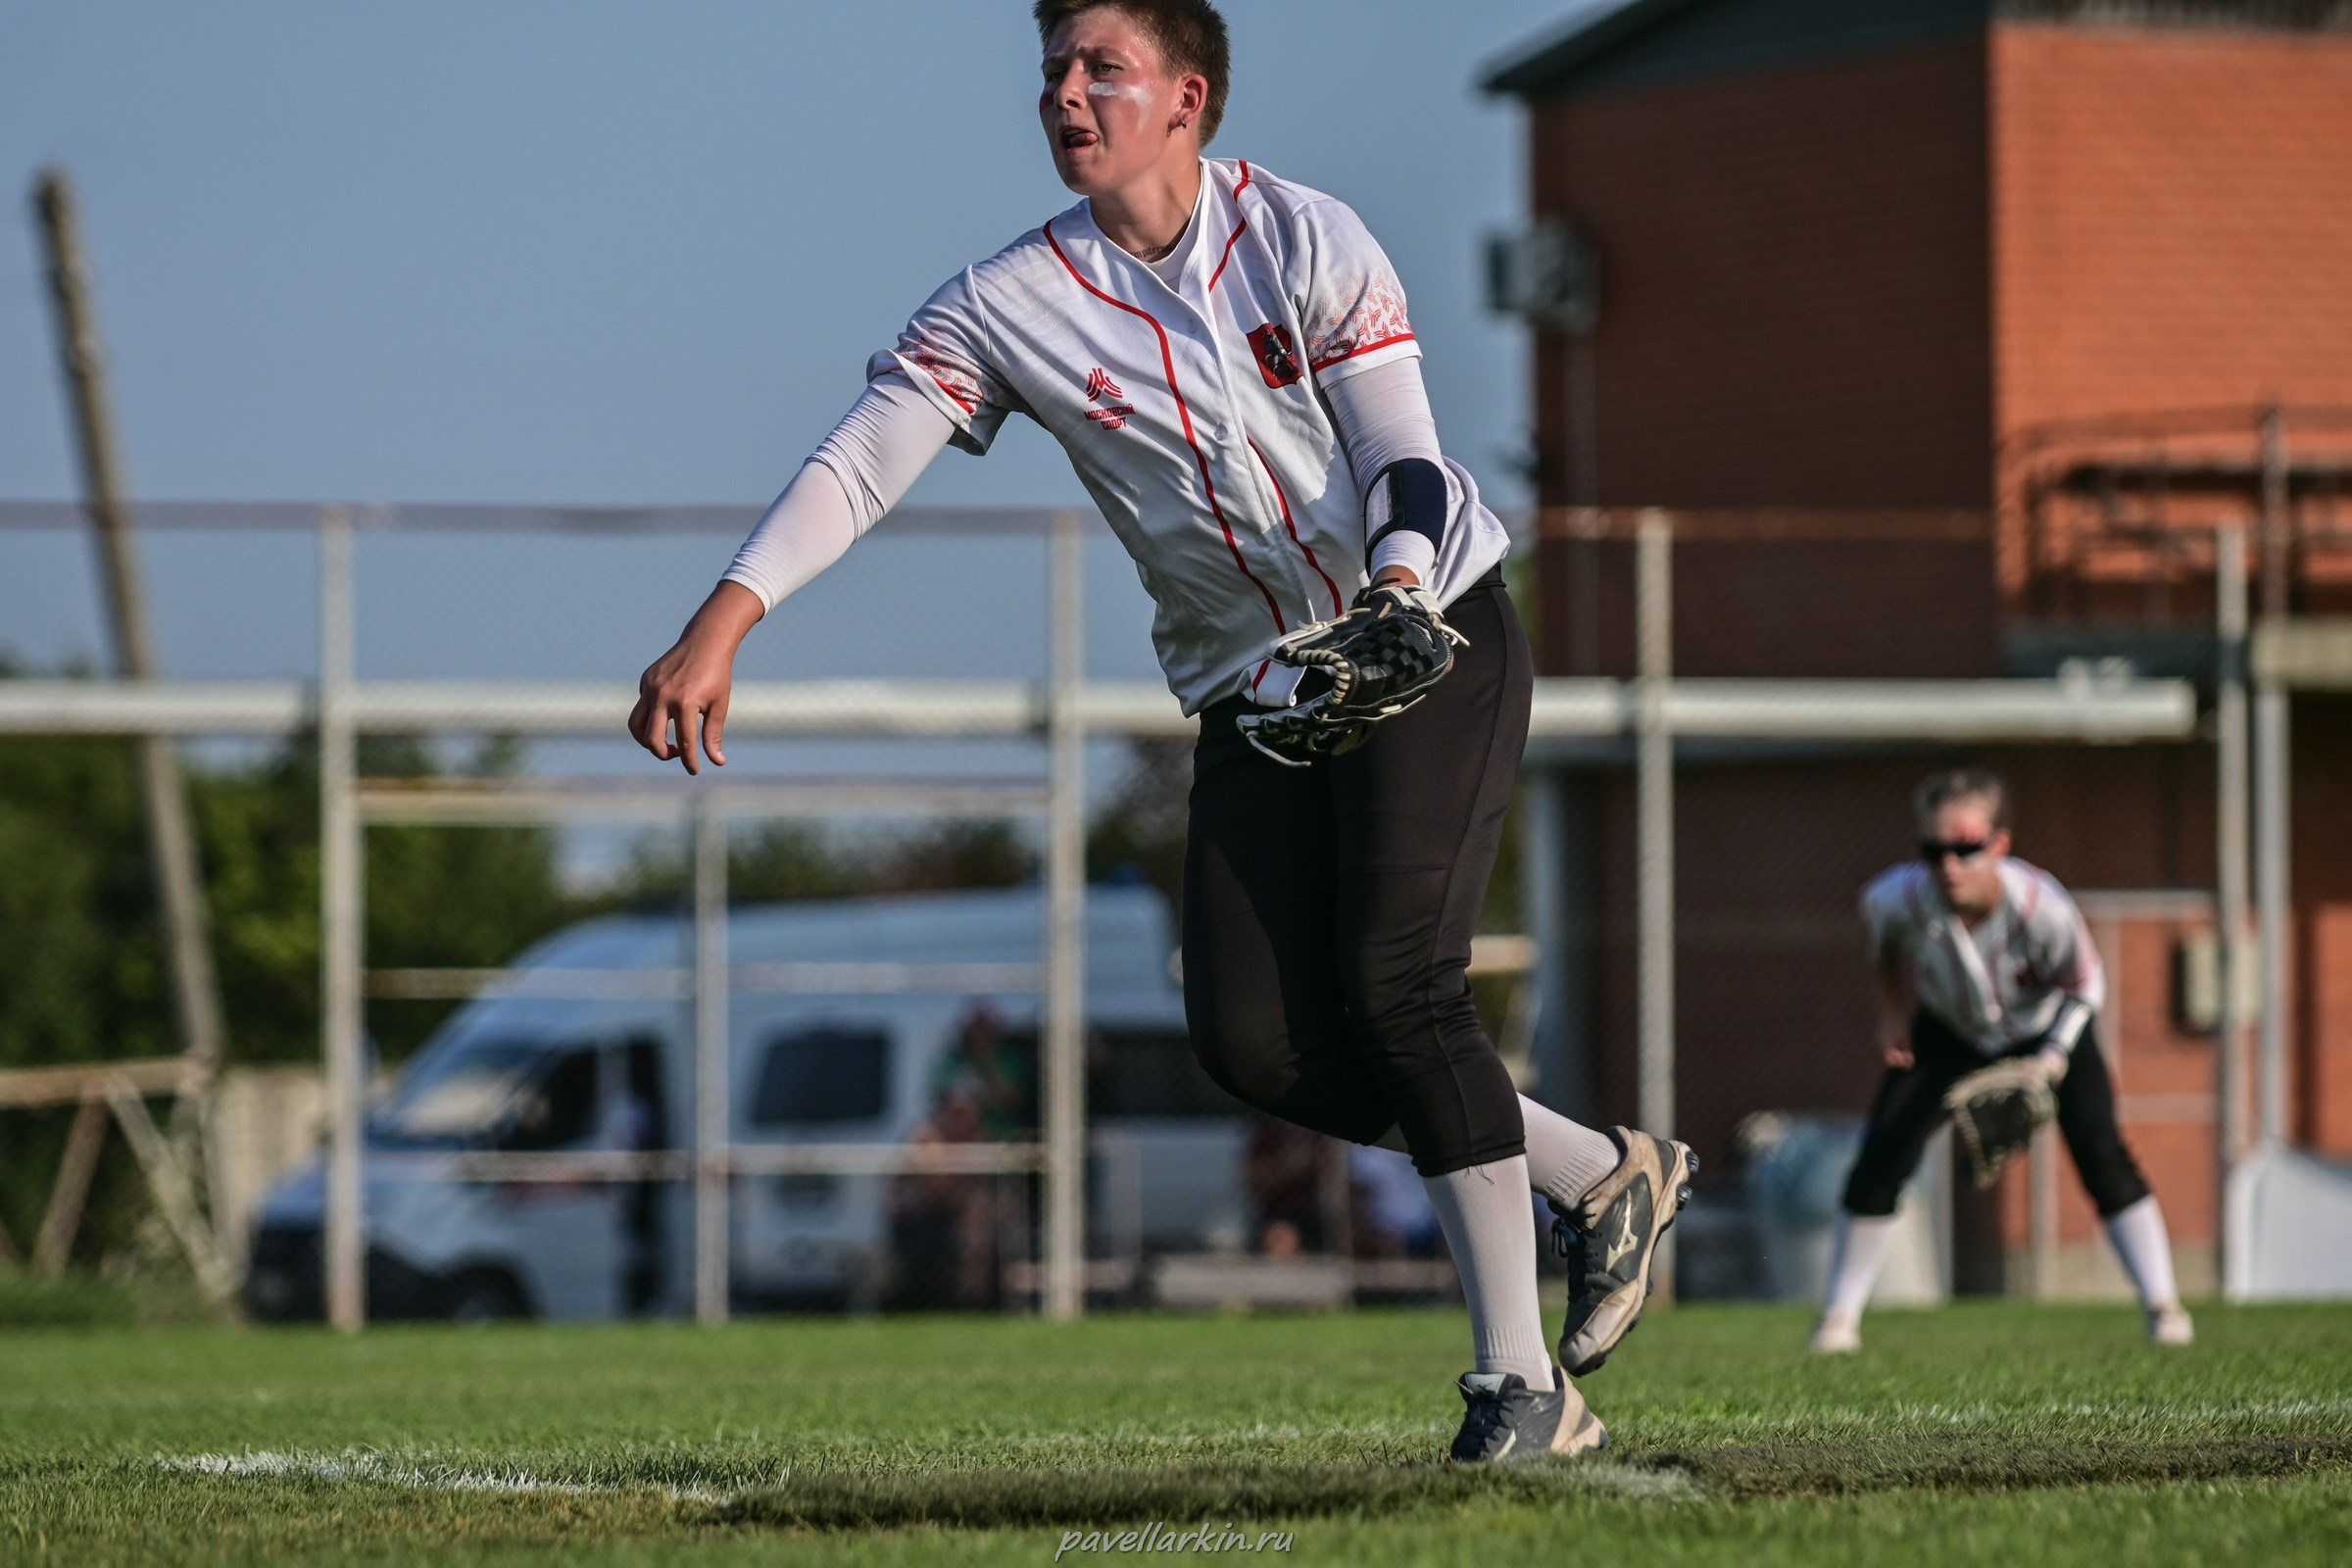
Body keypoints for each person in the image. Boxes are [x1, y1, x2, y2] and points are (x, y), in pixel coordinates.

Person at [627, 0, 1691, 1462]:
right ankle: (1597, 1173)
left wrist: (1395, 592)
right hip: (1255, 688)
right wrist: (728, 614)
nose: (1065, 92)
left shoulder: (1305, 236)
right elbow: (868, 456)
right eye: (1053, 69)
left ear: (1188, 97)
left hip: (1426, 635)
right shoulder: (1011, 299)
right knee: (1252, 1044)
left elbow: (1407, 456)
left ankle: (1523, 1386)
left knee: (1398, 985)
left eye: (1101, 67)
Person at [1812, 768, 2194, 1353]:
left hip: (2045, 1031)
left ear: (2000, 845)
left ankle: (2164, 1306)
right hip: (1949, 1031)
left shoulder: (2042, 907)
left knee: (2101, 1151)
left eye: (1966, 848)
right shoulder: (1895, 898)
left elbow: (2086, 986)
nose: (1949, 865)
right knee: (1882, 1155)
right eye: (1933, 850)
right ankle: (1839, 1318)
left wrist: (2053, 1058)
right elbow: (1881, 949)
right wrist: (1891, 1015)